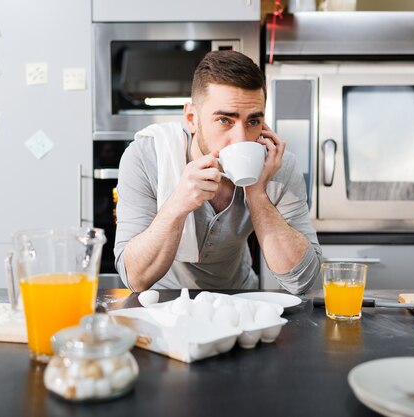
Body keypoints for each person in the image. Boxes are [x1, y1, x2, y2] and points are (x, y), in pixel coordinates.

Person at [114, 50, 322, 294]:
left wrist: (257, 193)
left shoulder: (277, 165)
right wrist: (178, 204)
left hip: (238, 298)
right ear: (192, 118)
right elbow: (135, 278)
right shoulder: (146, 156)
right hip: (164, 301)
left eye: (253, 121)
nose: (240, 139)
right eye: (225, 120)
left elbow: (303, 280)